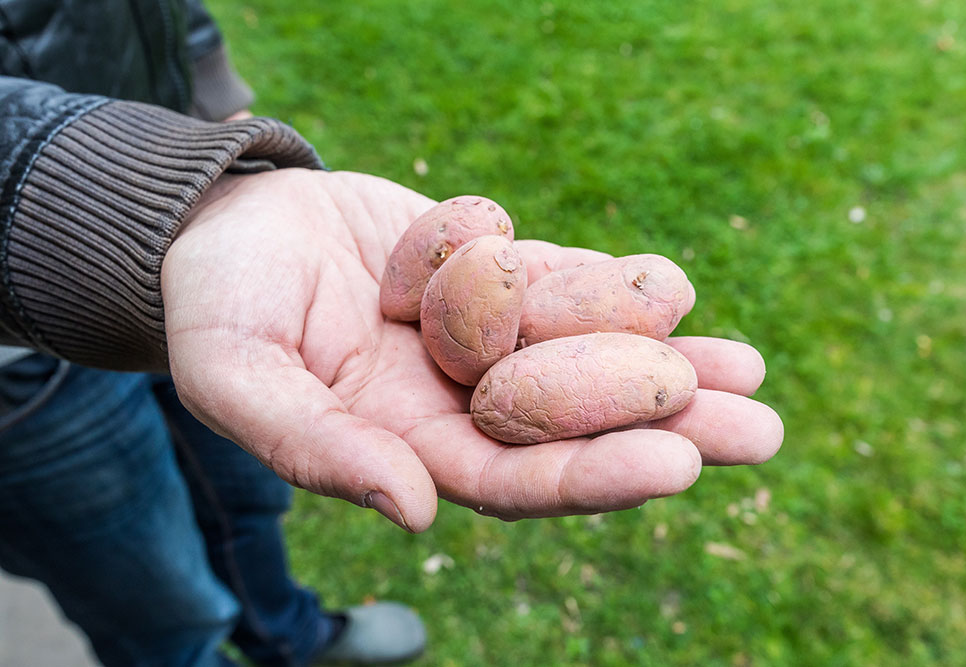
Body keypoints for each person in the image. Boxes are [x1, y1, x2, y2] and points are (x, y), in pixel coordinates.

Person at [0, 2, 783, 666]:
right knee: (149, 587)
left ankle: (291, 632)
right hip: (20, 379)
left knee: (242, 494)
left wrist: (221, 121)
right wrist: (98, 192)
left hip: (170, 185)